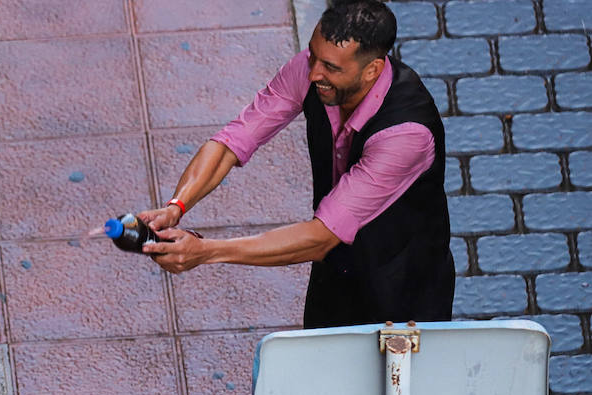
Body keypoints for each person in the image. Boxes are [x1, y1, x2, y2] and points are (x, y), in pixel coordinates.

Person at [137, 0, 453, 331]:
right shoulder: (314, 70)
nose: (314, 72)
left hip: (402, 289)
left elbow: (321, 236)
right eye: (313, 55)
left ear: (372, 70)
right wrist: (177, 206)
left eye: (330, 67)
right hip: (335, 272)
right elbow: (232, 141)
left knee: (398, 380)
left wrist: (207, 251)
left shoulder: (406, 135)